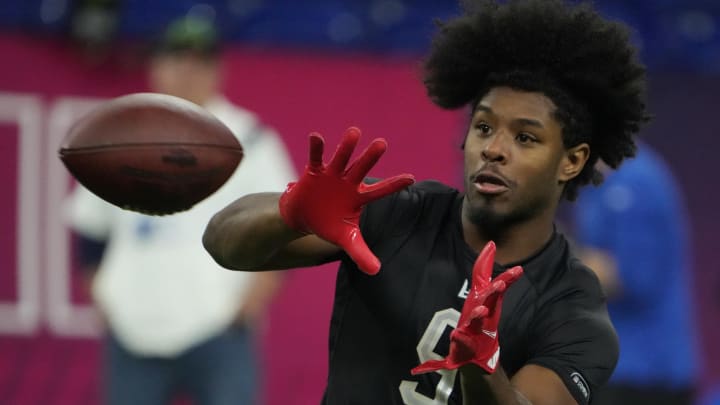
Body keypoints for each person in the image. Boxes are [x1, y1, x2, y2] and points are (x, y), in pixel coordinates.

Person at [202, 0, 649, 403]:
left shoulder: (572, 305)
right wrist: (289, 212)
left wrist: (481, 368)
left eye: (525, 137)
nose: (493, 149)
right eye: (484, 128)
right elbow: (222, 244)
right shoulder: (399, 212)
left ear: (571, 161)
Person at [65, 15, 296, 405]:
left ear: (217, 70)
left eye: (199, 62)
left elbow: (287, 226)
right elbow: (89, 229)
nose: (188, 72)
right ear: (156, 67)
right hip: (133, 332)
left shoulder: (250, 140)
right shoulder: (120, 137)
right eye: (177, 59)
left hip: (219, 330)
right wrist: (105, 299)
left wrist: (246, 305)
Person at [571, 142, 699, 405]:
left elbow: (633, 277)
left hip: (646, 377)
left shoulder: (635, 181)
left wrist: (544, 260)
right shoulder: (595, 183)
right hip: (612, 369)